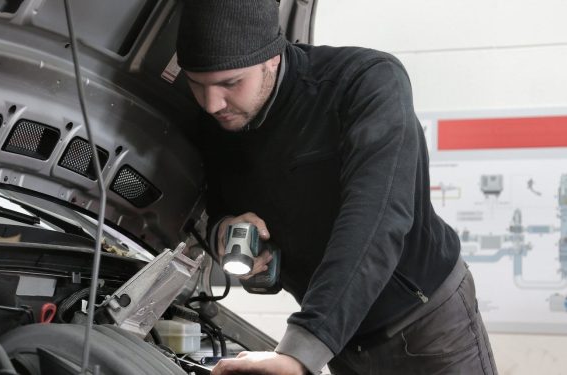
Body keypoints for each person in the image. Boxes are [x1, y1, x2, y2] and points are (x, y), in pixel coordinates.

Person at [174, 1, 498, 374]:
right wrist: (221, 230)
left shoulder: (365, 83)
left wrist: (302, 349)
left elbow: (375, 221)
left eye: (230, 83)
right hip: (341, 341)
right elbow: (215, 201)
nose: (213, 104)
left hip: (428, 328)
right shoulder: (214, 119)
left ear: (273, 59)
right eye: (197, 84)